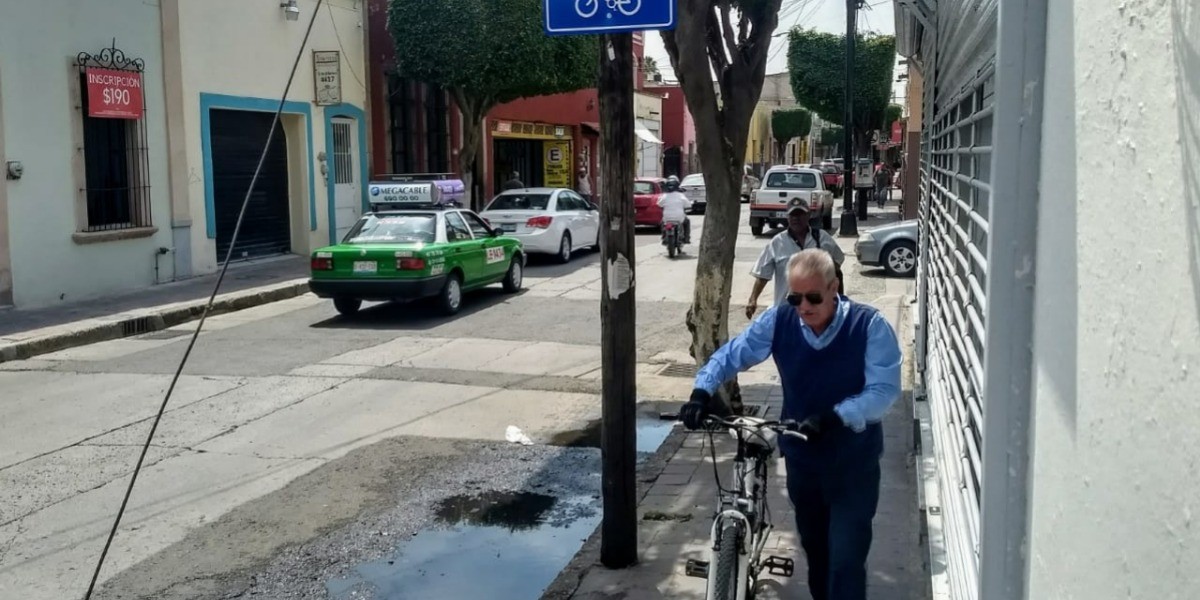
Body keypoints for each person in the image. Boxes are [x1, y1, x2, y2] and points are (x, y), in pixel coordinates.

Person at [680, 248, 902, 600]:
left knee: (846, 560)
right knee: (817, 554)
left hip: (852, 466)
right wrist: (701, 391)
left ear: (834, 288)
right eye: (795, 298)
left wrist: (836, 416)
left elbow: (884, 391)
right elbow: (735, 352)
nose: (804, 307)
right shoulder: (780, 319)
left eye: (813, 297)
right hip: (803, 463)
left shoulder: (869, 326)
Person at [746, 197, 844, 320]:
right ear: (787, 217)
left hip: (816, 312)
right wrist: (753, 299)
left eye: (800, 214)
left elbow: (837, 267)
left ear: (808, 215)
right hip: (786, 312)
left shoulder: (822, 238)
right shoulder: (777, 242)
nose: (796, 218)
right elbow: (762, 276)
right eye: (792, 215)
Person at [656, 175, 692, 243]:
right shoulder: (681, 195)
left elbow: (659, 204)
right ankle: (686, 238)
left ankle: (664, 236)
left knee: (662, 223)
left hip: (667, 218)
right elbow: (688, 205)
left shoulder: (664, 196)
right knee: (687, 222)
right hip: (679, 217)